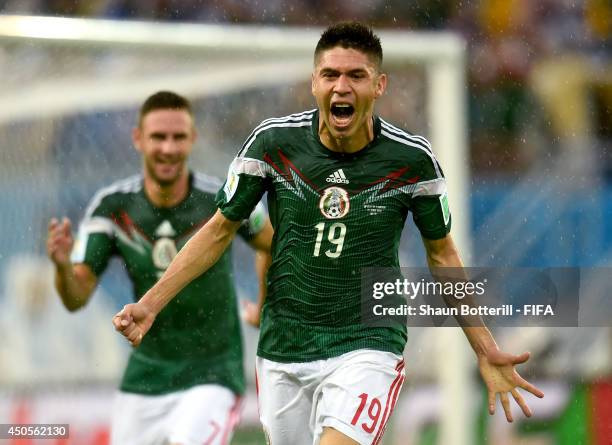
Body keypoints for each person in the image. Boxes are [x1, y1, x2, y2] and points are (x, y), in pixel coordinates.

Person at [113, 24, 544, 445]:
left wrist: (485, 347)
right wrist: (151, 304)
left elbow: (443, 255)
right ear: (313, 83)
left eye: (356, 75)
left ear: (379, 86)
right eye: (330, 75)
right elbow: (220, 230)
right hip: (284, 346)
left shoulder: (412, 161)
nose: (342, 87)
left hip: (367, 342)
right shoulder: (271, 144)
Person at [47, 91, 273, 445]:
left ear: (192, 139)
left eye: (178, 137)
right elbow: (76, 298)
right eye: (158, 137)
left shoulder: (223, 198)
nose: (168, 148)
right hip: (144, 379)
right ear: (138, 139)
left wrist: (263, 303)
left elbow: (270, 245)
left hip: (211, 375)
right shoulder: (112, 208)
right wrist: (62, 267)